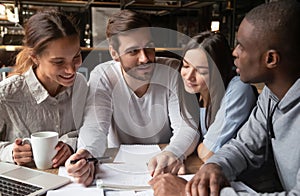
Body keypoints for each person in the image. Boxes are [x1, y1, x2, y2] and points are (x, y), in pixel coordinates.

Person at [149, 1, 300, 196]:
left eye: (242, 47)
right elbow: (243, 147)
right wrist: (214, 167)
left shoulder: (242, 89)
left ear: (271, 59)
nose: (234, 52)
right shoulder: (271, 97)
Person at [65, 9, 200, 186]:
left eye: (149, 47)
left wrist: (173, 153)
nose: (144, 58)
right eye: (133, 51)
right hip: (117, 168)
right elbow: (95, 126)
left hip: (162, 167)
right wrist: (87, 153)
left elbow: (187, 127)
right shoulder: (103, 75)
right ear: (114, 54)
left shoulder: (172, 71)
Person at [0, 10, 88, 168]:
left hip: (71, 180)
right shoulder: (6, 94)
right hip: (24, 182)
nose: (71, 70)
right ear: (35, 57)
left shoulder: (80, 85)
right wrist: (10, 153)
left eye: (76, 57)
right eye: (59, 62)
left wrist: (70, 145)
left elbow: (89, 130)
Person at [179, 31, 257, 163]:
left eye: (201, 71)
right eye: (186, 66)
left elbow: (208, 153)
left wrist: (199, 146)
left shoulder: (239, 88)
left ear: (219, 71)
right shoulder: (195, 95)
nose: (188, 76)